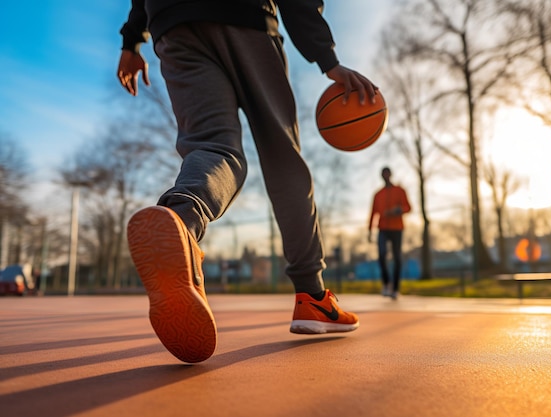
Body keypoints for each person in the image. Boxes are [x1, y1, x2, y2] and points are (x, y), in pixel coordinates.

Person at [117, 0, 378, 363]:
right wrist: (326, 58)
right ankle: (312, 297)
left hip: (172, 23)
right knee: (283, 160)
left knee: (214, 148)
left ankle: (181, 219)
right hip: (247, 17)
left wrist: (132, 42)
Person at [368, 167, 411, 300]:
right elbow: (373, 212)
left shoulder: (400, 190)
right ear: (381, 176)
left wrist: (397, 210)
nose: (385, 175)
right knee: (381, 255)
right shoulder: (378, 194)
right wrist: (370, 229)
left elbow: (408, 207)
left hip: (397, 228)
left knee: (397, 257)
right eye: (383, 174)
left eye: (387, 173)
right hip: (383, 228)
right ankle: (387, 284)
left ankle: (396, 289)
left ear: (391, 174)